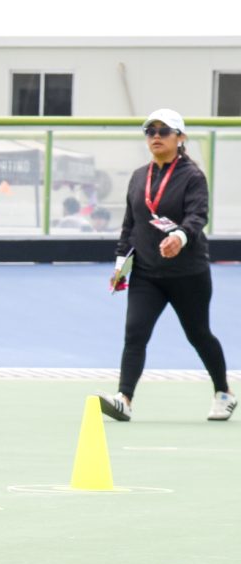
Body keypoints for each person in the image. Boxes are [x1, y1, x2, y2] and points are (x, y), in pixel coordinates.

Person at [97, 108, 236, 422]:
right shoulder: (138, 177)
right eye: (151, 131)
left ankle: (223, 392)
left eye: (164, 131)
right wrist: (120, 264)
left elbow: (197, 216)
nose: (156, 137)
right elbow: (130, 225)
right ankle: (124, 399)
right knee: (135, 333)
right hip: (146, 273)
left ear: (180, 138)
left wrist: (179, 237)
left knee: (198, 334)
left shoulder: (193, 176)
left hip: (188, 274)